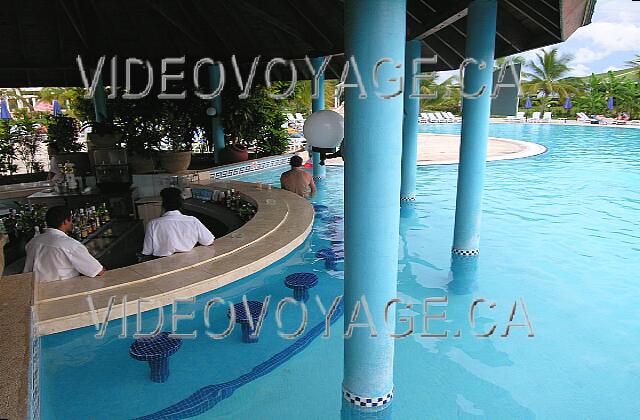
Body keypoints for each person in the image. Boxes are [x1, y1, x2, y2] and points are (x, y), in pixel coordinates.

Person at [24, 206, 106, 282]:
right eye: (71, 219)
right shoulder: (70, 245)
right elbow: (98, 271)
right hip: (63, 291)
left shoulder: (33, 241)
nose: (72, 223)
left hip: (33, 290)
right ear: (65, 221)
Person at [142, 187, 215, 257]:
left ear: (163, 206)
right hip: (190, 264)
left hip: (163, 265)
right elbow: (208, 241)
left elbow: (148, 251)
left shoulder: (153, 224)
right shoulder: (193, 221)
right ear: (180, 205)